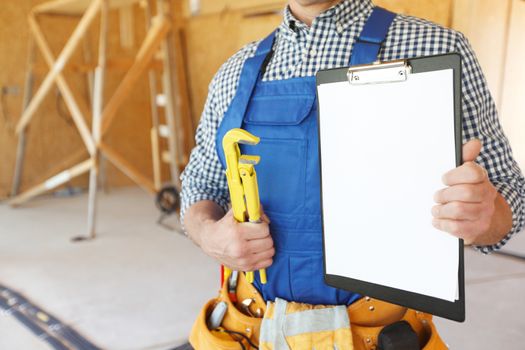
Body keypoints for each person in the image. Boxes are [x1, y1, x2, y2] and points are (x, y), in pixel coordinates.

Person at [180, 0, 525, 347]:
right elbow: (201, 184)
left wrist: (485, 213)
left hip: (377, 335)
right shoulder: (234, 72)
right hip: (249, 328)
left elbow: (510, 191)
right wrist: (211, 235)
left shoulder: (434, 48)